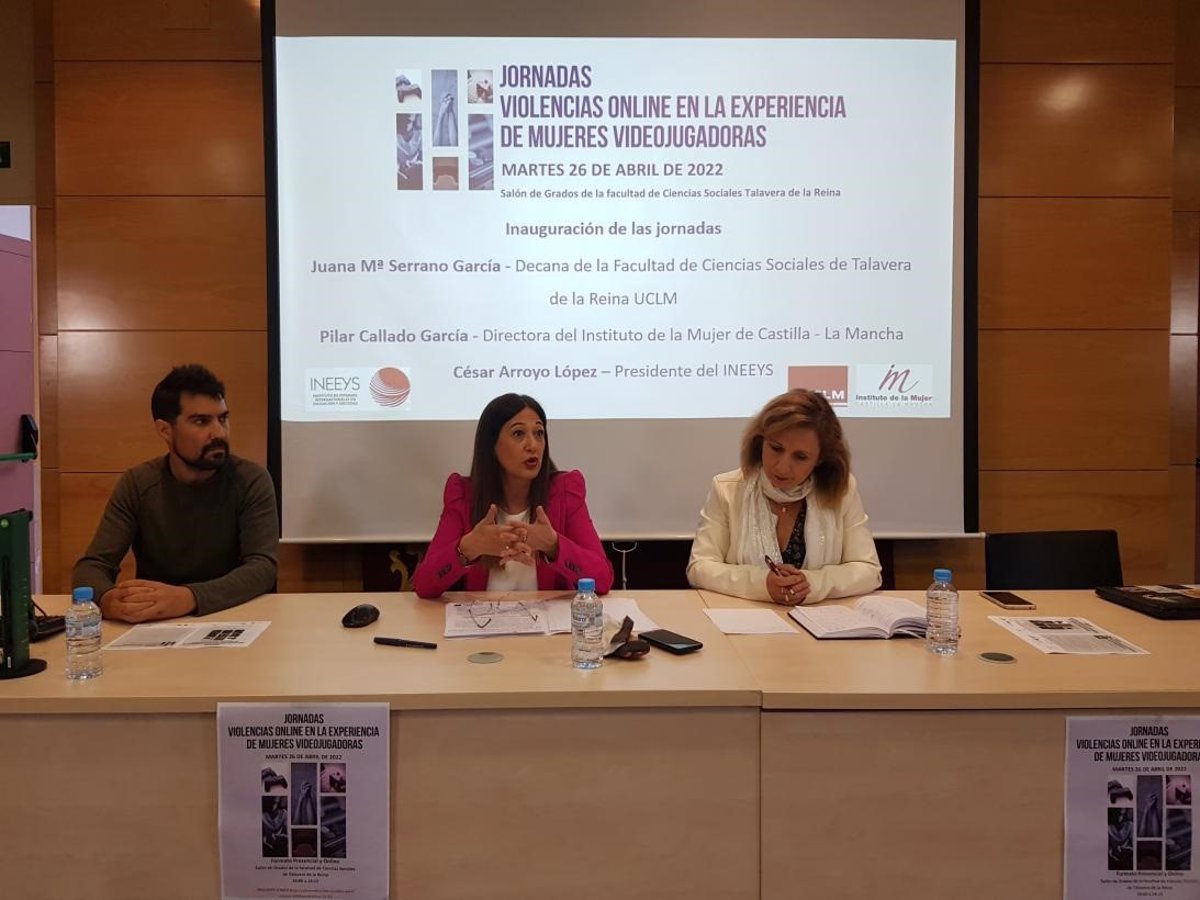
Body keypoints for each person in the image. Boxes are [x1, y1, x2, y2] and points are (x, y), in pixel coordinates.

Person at [72, 364, 279, 622]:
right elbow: (93, 566)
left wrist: (188, 598)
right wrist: (106, 599)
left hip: (236, 616)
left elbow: (262, 568)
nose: (219, 433)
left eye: (223, 419)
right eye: (201, 421)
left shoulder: (250, 480)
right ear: (165, 430)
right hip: (156, 622)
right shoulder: (138, 484)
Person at [687, 388, 881, 605]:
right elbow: (699, 568)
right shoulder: (728, 489)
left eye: (800, 457)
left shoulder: (842, 490)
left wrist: (811, 583)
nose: (782, 467)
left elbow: (868, 570)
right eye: (776, 448)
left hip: (821, 621)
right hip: (745, 618)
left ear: (820, 459)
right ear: (761, 441)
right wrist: (762, 584)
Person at [412, 393, 614, 598]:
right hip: (482, 617)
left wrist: (553, 545)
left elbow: (603, 580)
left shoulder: (565, 492)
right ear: (491, 445)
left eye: (539, 433)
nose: (533, 445)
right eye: (518, 434)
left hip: (548, 618)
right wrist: (468, 547)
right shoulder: (463, 495)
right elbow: (424, 586)